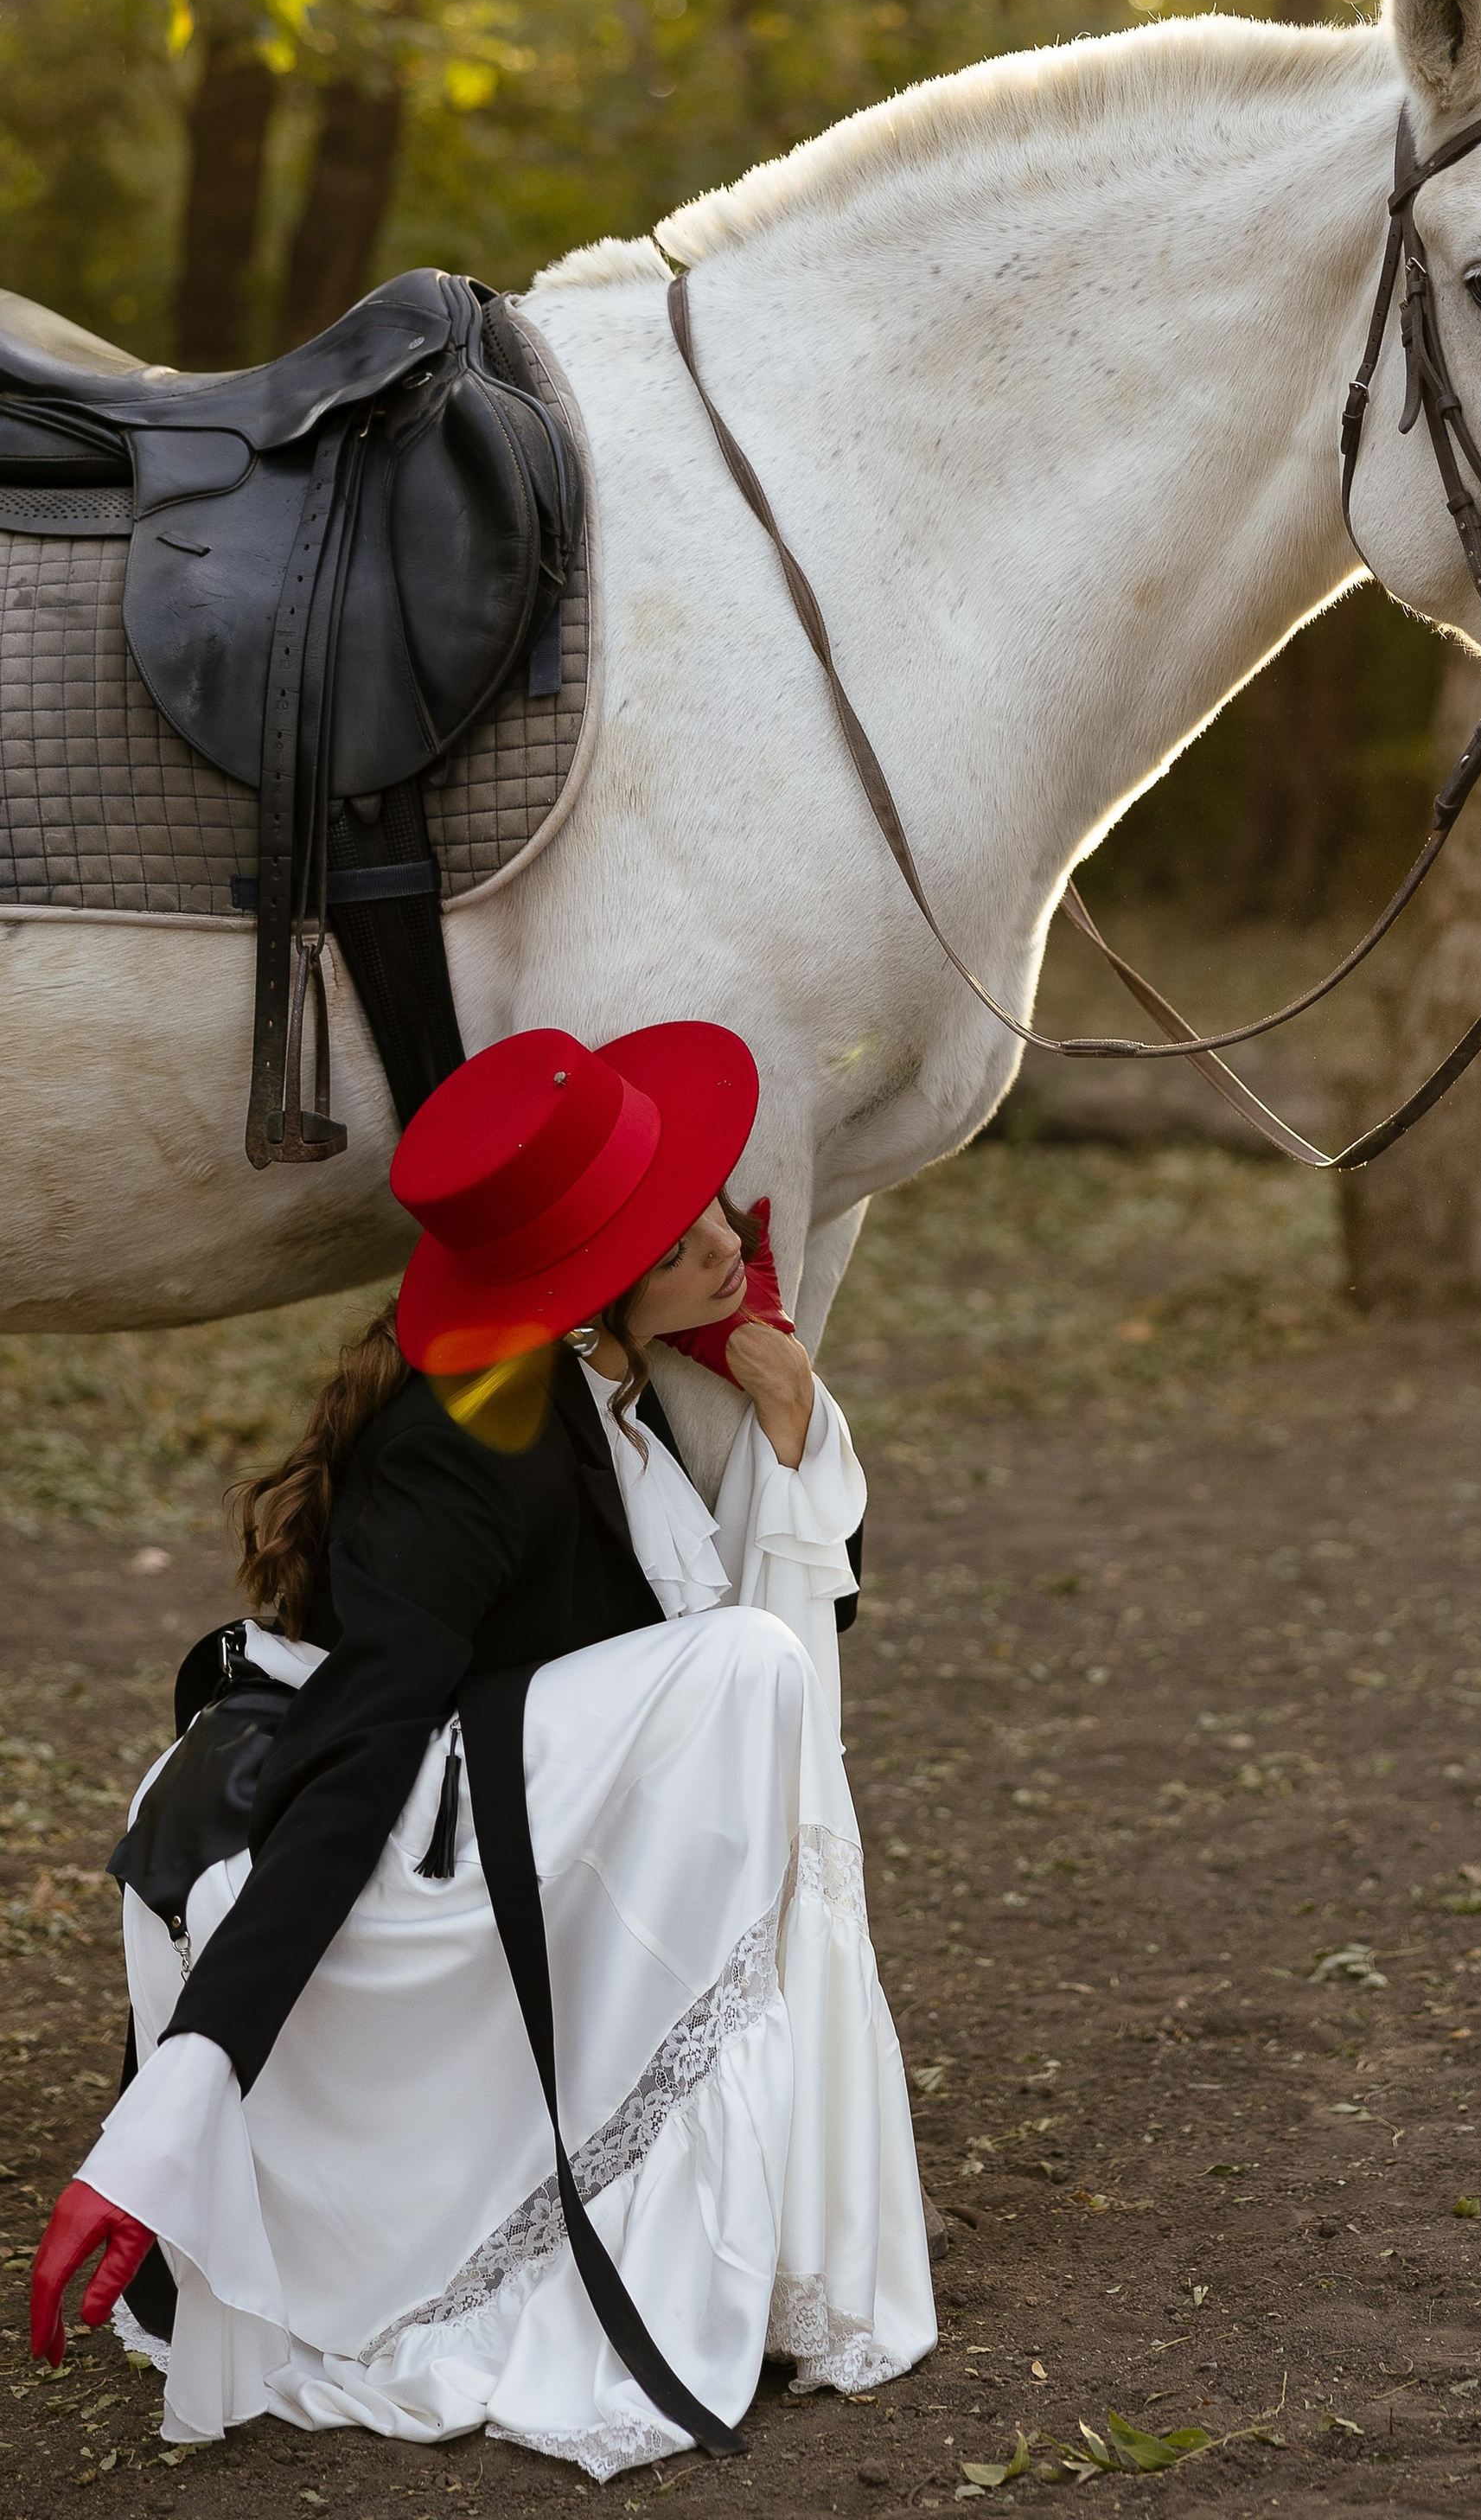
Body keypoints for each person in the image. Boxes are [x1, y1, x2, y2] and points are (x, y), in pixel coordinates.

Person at [25, 1020, 935, 2478]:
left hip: (508, 1779)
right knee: (742, 1667)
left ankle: (750, 2211)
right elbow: (368, 1743)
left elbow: (790, 1658)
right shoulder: (468, 1441)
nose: (728, 1239)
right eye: (675, 1236)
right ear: (592, 1283)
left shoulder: (607, 1389)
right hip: (399, 1826)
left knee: (750, 1671)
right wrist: (181, 2096)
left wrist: (783, 1401)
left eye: (705, 1205)